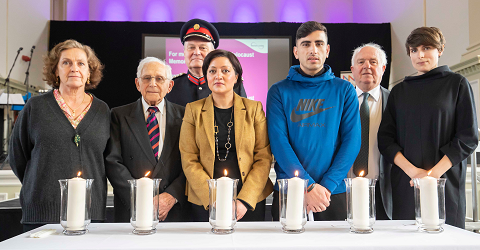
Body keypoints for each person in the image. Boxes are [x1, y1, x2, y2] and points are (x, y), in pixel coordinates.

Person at [378, 27, 478, 228]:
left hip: (445, 181)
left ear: (440, 50)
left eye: (426, 48)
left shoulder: (457, 84)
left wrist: (432, 176)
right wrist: (415, 173)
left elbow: (468, 136)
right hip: (407, 183)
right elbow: (386, 140)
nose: (420, 55)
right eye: (414, 50)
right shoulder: (398, 91)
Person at [9, 39, 110, 232]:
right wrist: (40, 183)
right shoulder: (35, 107)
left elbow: (107, 160)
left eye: (81, 63)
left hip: (91, 213)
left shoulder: (102, 110)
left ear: (89, 72)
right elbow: (17, 157)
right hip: (42, 214)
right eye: (66, 62)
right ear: (56, 70)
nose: (74, 68)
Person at [267, 21, 361, 221]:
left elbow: (352, 142)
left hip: (332, 192)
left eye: (319, 44)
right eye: (306, 44)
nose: (313, 50)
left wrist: (325, 186)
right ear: (296, 51)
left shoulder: (344, 90)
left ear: (327, 50)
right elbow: (278, 142)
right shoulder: (278, 91)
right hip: (290, 189)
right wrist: (307, 184)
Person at [180, 49, 273, 221]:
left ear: (236, 76)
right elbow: (189, 158)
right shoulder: (193, 110)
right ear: (206, 76)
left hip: (248, 200)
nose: (218, 76)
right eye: (212, 71)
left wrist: (244, 201)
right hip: (206, 200)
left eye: (225, 70)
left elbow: (263, 157)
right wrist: (215, 198)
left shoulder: (254, 109)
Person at [105, 57, 186, 222]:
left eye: (159, 78)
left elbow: (192, 162)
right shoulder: (118, 116)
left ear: (170, 86)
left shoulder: (185, 116)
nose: (153, 83)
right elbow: (113, 161)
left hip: (173, 211)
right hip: (131, 212)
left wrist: (171, 196)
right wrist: (139, 201)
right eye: (147, 78)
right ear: (137, 83)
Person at [349, 43, 392, 220]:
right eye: (361, 62)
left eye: (373, 61)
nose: (367, 66)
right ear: (352, 70)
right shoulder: (339, 102)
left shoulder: (395, 102)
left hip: (383, 192)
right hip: (344, 191)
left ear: (383, 68)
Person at [166, 18, 246, 106]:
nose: (196, 52)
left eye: (203, 48)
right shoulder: (170, 87)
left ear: (212, 53)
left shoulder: (232, 85)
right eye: (191, 47)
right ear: (184, 53)